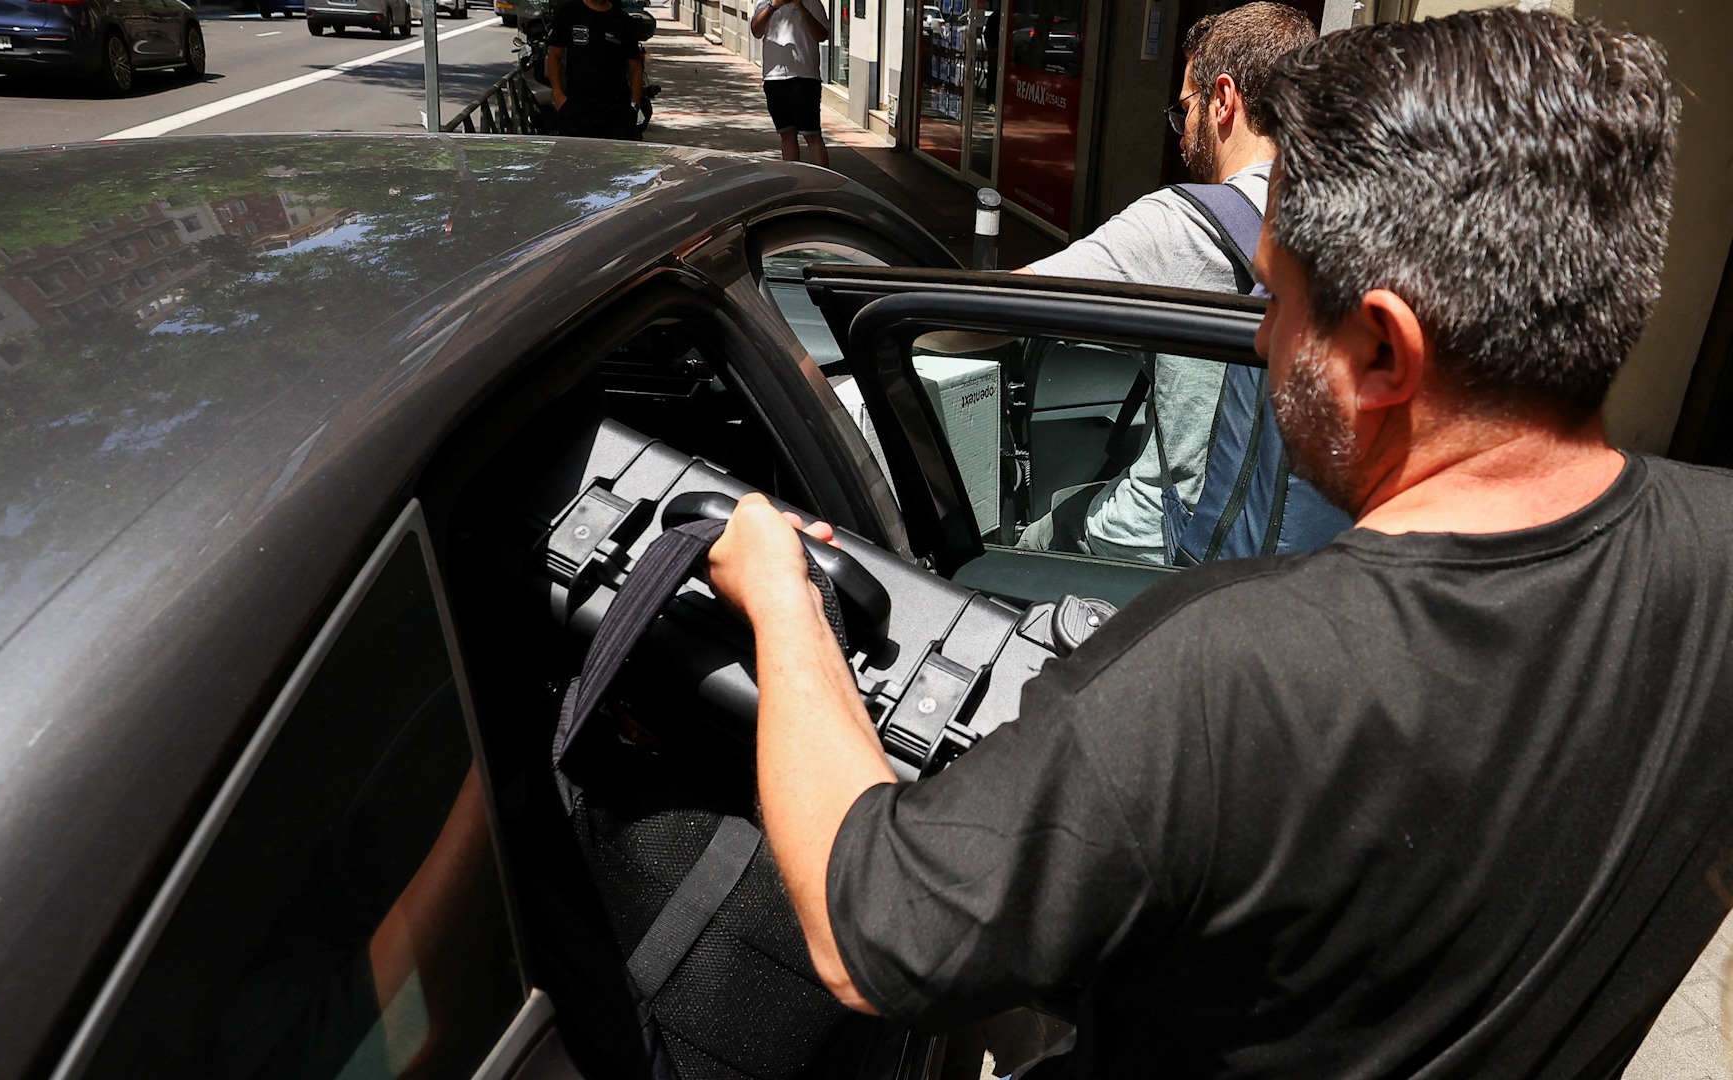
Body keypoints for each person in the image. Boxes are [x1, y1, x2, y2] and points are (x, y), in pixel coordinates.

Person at [708, 9, 1733, 1077]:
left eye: (1277, 296)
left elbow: (867, 928)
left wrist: (783, 597)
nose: (1257, 333)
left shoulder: (1221, 675)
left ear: (1382, 348)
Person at [1013, 3, 1316, 564]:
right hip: (1302, 546)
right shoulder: (1350, 210)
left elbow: (995, 309)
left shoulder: (1182, 224)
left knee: (1034, 536)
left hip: (1178, 538)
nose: (1180, 136)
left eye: (1184, 110)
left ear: (1222, 100)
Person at [546, 0, 645, 141]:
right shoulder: (569, 13)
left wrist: (634, 104)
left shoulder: (623, 21)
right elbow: (554, 55)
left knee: (613, 160)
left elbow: (635, 68)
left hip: (615, 112)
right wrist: (558, 95)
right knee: (574, 159)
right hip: (575, 108)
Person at [750, 0, 831, 166]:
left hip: (805, 76)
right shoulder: (765, 3)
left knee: (812, 134)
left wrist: (801, 7)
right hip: (774, 77)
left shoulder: (812, 4)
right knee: (787, 134)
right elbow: (756, 31)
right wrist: (774, 6)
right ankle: (794, 179)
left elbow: (822, 35)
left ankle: (824, 183)